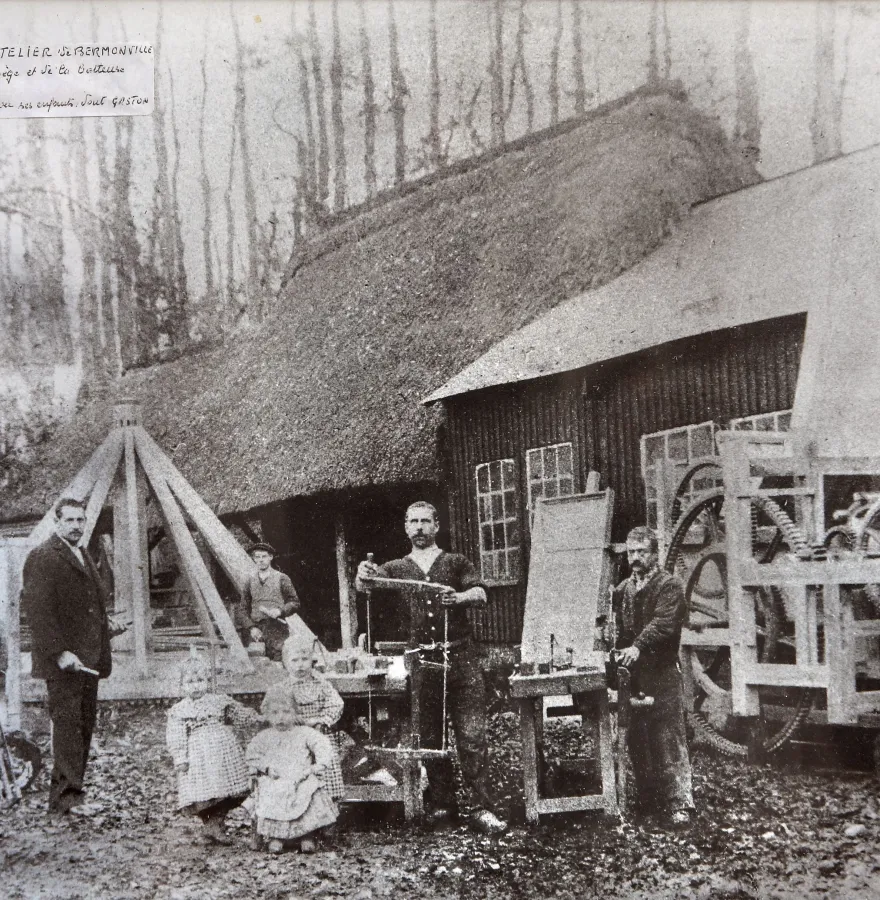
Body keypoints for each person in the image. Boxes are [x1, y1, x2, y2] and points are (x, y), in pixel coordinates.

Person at [355, 501, 507, 835]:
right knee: (432, 737)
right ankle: (444, 808)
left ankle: (482, 809)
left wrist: (461, 598)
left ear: (436, 526)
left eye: (426, 521)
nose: (420, 527)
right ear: (406, 528)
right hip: (423, 664)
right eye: (414, 522)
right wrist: (361, 575)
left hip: (462, 660)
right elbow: (367, 586)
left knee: (472, 736)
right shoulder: (395, 567)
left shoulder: (455, 562)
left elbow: (481, 593)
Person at [22, 497, 121, 816]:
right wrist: (59, 651)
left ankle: (69, 794)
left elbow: (86, 606)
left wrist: (108, 625)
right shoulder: (43, 557)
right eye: (71, 520)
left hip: (88, 660)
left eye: (81, 520)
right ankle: (66, 799)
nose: (77, 526)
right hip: (65, 663)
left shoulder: (83, 554)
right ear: (57, 521)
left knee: (83, 726)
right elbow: (39, 612)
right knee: (67, 728)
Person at [612, 525, 695, 829]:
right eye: (631, 552)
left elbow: (664, 624)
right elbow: (619, 631)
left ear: (655, 553)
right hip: (634, 676)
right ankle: (649, 797)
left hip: (661, 673)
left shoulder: (669, 586)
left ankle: (679, 803)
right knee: (637, 737)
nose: (635, 558)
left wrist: (637, 646)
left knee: (668, 736)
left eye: (641, 552)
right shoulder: (623, 590)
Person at [165, 650, 262, 844]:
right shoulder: (180, 710)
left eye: (200, 680)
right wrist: (180, 758)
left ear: (208, 681)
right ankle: (210, 827)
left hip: (223, 752)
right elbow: (175, 736)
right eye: (190, 682)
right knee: (204, 793)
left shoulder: (218, 701)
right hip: (198, 756)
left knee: (226, 789)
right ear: (182, 685)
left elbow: (238, 715)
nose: (196, 686)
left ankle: (216, 825)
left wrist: (256, 718)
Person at [246, 691, 339, 854]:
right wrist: (266, 768)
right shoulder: (264, 736)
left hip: (300, 777)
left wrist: (318, 765)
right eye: (275, 713)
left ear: (295, 713)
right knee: (271, 793)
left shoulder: (303, 732)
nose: (281, 717)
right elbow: (252, 755)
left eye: (286, 712)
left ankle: (306, 836)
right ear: (267, 715)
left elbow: (322, 744)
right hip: (276, 778)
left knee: (308, 792)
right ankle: (277, 837)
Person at [260, 634, 345, 804]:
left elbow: (336, 703)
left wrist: (321, 720)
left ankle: (327, 813)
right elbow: (267, 709)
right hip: (293, 737)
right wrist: (288, 718)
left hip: (318, 734)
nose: (300, 665)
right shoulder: (281, 688)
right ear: (285, 663)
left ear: (312, 660)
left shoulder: (321, 684)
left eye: (304, 659)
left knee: (325, 771)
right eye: (294, 660)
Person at [238, 543, 300, 661]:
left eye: (264, 556)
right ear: (254, 558)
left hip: (277, 629)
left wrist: (280, 611)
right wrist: (251, 628)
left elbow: (295, 602)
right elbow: (242, 609)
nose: (260, 560)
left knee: (279, 661)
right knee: (259, 664)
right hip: (256, 630)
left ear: (270, 557)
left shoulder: (282, 578)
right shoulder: (249, 581)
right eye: (257, 557)